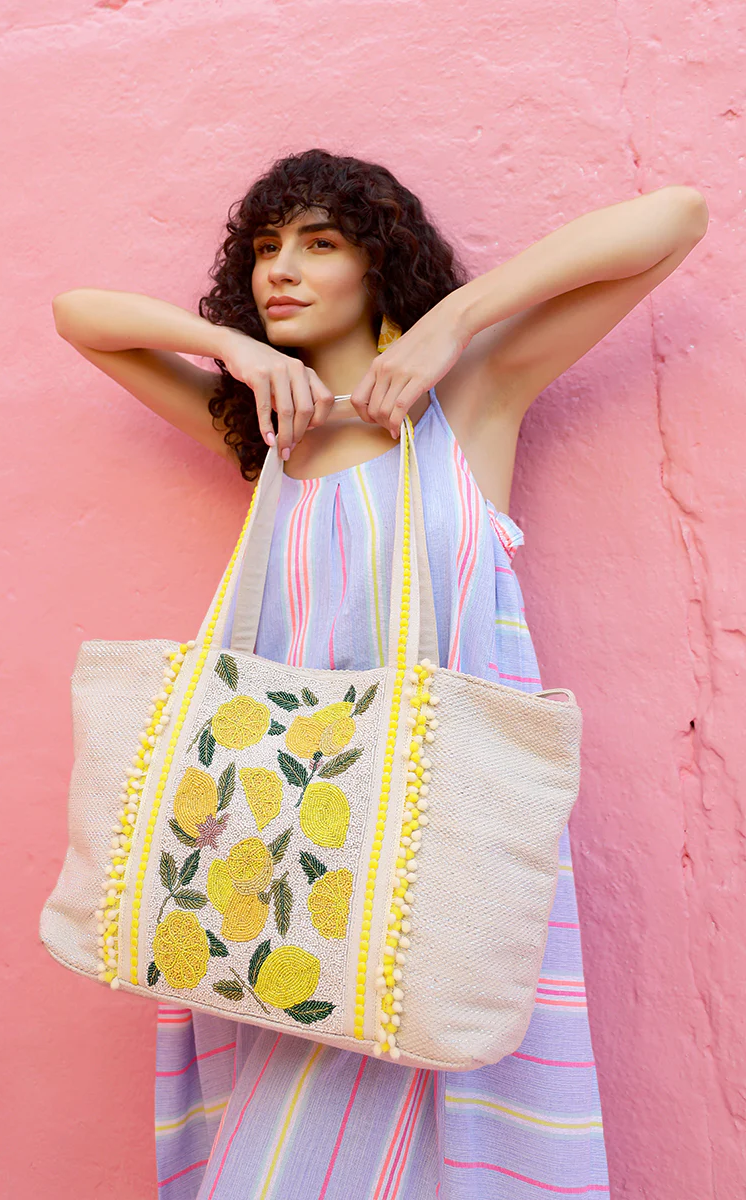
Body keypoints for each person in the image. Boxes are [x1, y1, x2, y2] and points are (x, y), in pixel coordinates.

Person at [52, 149, 708, 1199]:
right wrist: (230, 350)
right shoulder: (271, 442)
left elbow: (674, 215)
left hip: (424, 869)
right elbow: (78, 315)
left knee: (451, 1124)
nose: (282, 269)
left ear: (379, 267)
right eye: (265, 249)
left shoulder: (472, 406)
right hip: (281, 881)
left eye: (320, 244)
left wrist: (454, 323)